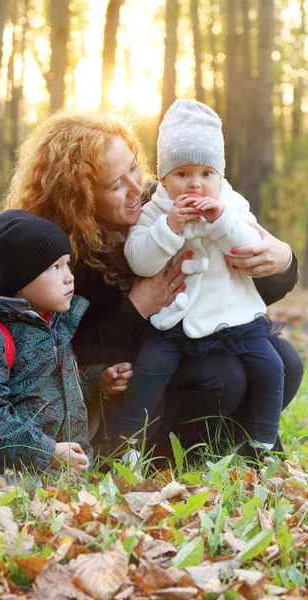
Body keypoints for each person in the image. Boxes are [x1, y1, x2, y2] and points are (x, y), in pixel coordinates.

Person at [4, 110, 303, 455]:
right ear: (79, 196)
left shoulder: (164, 201)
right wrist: (137, 307)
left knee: (286, 362)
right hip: (134, 375)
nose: (137, 188)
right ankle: (163, 453)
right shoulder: (61, 254)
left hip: (198, 333)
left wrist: (282, 259)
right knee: (223, 378)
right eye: (117, 184)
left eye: (133, 167)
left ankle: (238, 448)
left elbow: (240, 287)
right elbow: (65, 349)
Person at [122, 99, 286, 459]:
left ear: (220, 176)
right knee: (149, 372)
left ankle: (262, 441)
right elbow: (140, 260)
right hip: (174, 321)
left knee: (273, 367)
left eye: (205, 174)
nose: (194, 185)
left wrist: (222, 220)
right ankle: (126, 442)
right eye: (182, 175)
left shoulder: (232, 204)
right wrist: (170, 228)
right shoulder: (155, 211)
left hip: (233, 316)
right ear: (163, 178)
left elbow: (250, 248)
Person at [0, 210, 131, 472]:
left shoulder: (51, 326)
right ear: (19, 279)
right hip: (3, 487)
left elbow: (42, 392)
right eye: (54, 267)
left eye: (67, 264)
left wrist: (96, 382)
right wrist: (47, 451)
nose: (69, 276)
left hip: (55, 484)